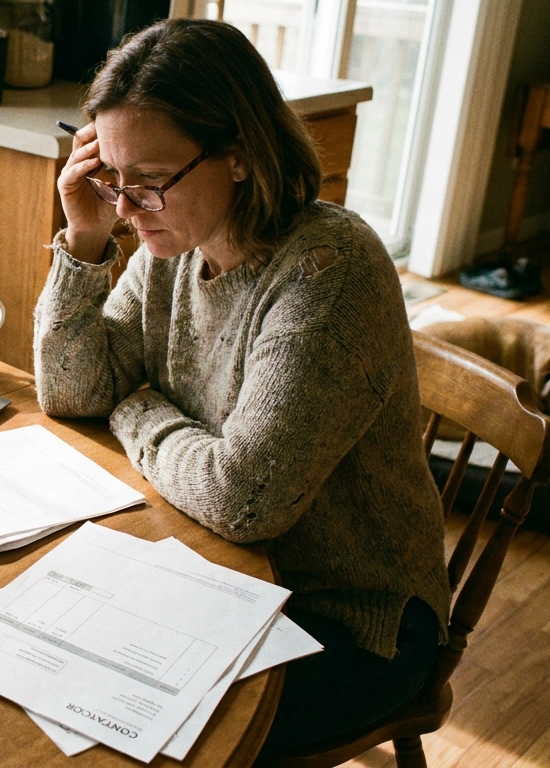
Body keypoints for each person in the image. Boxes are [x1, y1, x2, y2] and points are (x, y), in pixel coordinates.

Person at [33, 18, 452, 757]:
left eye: (149, 182)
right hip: (212, 569)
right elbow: (72, 391)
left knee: (117, 733)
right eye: (112, 178)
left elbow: (244, 497)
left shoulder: (329, 269)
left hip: (351, 618)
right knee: (43, 662)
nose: (128, 207)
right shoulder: (173, 242)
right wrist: (85, 237)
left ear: (238, 156)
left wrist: (135, 407)